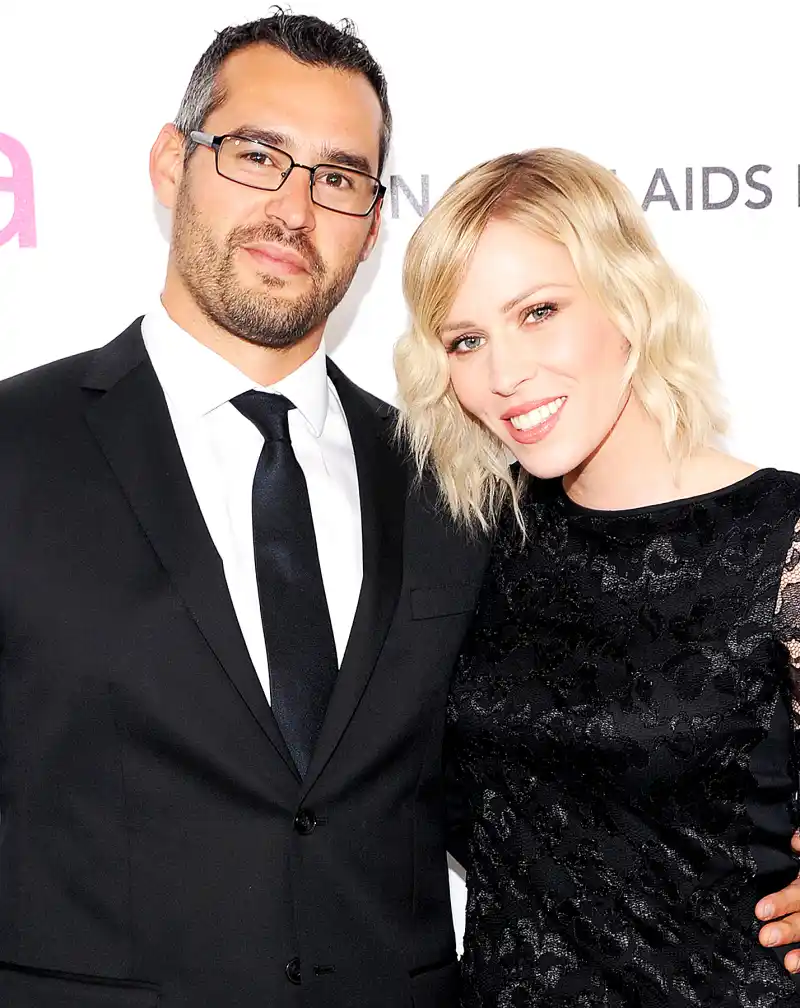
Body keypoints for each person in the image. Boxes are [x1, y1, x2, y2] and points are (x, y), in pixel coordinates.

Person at [0, 13, 488, 1008]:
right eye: (258, 155)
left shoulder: (453, 482)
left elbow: (534, 780)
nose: (294, 209)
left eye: (339, 178)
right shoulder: (15, 448)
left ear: (372, 221)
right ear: (172, 164)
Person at [395, 147, 800, 1005]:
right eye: (466, 340)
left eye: (538, 312)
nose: (503, 376)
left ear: (629, 298)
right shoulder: (474, 537)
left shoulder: (785, 542)